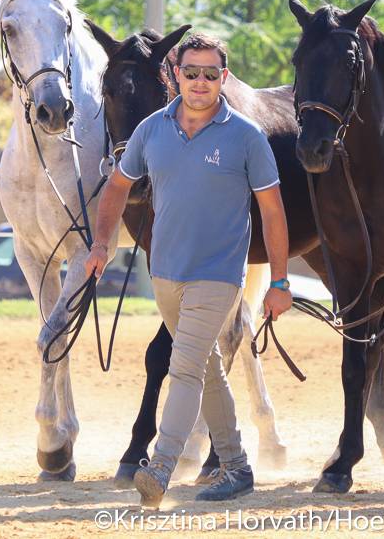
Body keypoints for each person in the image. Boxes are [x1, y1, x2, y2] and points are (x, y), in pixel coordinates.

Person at [84, 32, 293, 507]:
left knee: (184, 365)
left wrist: (279, 280)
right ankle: (236, 465)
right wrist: (100, 243)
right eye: (192, 72)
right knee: (208, 367)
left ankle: (160, 466)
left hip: (219, 275)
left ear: (223, 77)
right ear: (175, 75)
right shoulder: (151, 130)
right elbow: (117, 186)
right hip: (166, 274)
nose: (200, 81)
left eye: (210, 73)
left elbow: (273, 211)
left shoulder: (246, 136)